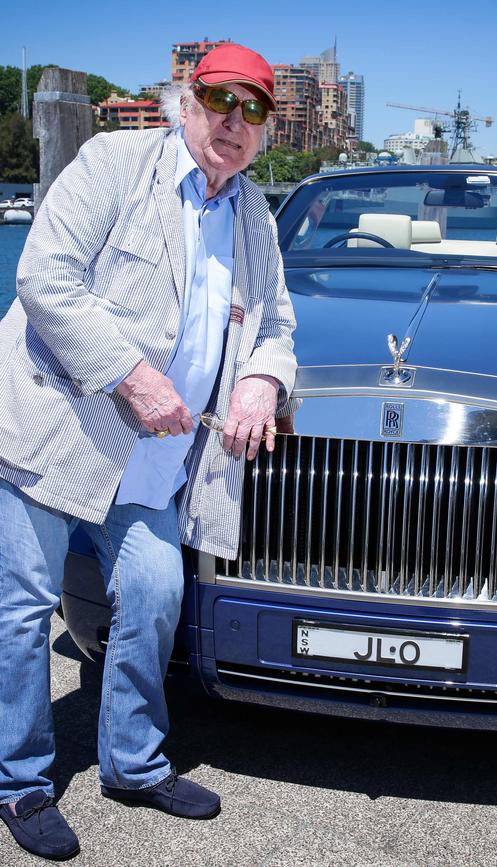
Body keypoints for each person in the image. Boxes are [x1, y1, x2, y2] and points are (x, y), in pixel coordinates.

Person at [0, 42, 297, 861]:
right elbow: (45, 278)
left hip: (156, 467)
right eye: (220, 102)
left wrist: (261, 383)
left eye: (255, 110)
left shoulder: (253, 211)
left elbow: (275, 323)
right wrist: (133, 375)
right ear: (187, 101)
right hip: (58, 432)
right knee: (22, 612)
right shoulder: (116, 162)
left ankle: (131, 762)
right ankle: (20, 782)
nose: (234, 124)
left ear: (267, 129)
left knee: (157, 594)